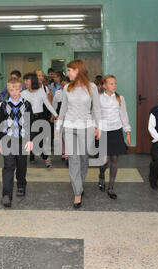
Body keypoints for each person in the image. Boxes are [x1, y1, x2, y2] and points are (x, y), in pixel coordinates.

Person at [55, 60, 101, 208]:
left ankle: (79, 184)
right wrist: (58, 126)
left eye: (70, 70)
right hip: (69, 127)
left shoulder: (91, 87)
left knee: (84, 159)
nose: (67, 73)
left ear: (78, 70)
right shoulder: (67, 87)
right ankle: (77, 192)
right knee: (73, 159)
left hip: (86, 127)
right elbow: (63, 109)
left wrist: (98, 127)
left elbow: (97, 109)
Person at [0, 79, 36, 208]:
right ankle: (6, 195)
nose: (14, 92)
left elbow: (31, 124)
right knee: (8, 166)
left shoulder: (27, 104)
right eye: (11, 90)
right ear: (8, 90)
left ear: (21, 90)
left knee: (21, 164)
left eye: (16, 89)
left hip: (23, 140)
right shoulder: (4, 105)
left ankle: (21, 185)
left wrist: (31, 140)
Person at [97, 75, 132, 200]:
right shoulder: (99, 98)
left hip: (116, 131)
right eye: (111, 83)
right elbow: (96, 116)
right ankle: (101, 175)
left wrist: (127, 132)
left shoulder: (120, 98)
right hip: (104, 132)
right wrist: (97, 130)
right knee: (104, 160)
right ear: (105, 85)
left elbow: (124, 115)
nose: (114, 85)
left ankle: (111, 188)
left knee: (115, 160)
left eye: (115, 83)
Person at [21, 73, 59, 168]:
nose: (25, 82)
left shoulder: (41, 92)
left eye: (27, 80)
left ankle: (46, 157)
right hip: (28, 118)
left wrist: (56, 115)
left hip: (40, 118)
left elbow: (48, 104)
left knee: (40, 142)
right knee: (33, 142)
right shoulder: (23, 93)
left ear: (33, 81)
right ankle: (45, 157)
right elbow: (13, 103)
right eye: (24, 80)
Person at [52, 76, 70, 164]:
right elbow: (54, 104)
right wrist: (54, 115)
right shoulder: (58, 93)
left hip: (70, 117)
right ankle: (64, 152)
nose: (64, 87)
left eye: (65, 85)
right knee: (61, 135)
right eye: (62, 85)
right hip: (60, 116)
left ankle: (67, 154)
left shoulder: (71, 93)